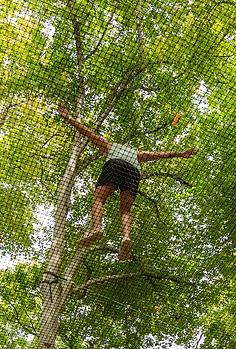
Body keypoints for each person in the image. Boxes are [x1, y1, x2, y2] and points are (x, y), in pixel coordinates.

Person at [57, 104, 197, 261]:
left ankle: (97, 227)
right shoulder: (136, 154)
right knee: (125, 210)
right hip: (133, 172)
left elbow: (88, 133)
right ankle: (126, 236)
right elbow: (157, 154)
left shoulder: (110, 147)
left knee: (99, 199)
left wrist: (68, 118)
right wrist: (179, 154)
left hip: (114, 164)